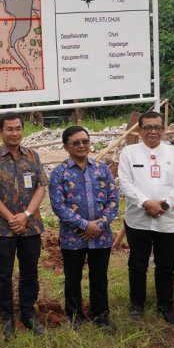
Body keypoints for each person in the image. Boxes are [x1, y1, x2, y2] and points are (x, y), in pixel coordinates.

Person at [0, 112, 47, 339]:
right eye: (10, 129)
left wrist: (26, 215)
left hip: (30, 227)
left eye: (18, 128)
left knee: (30, 272)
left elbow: (41, 187)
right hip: (2, 229)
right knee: (4, 273)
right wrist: (11, 218)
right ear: (0, 131)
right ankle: (7, 317)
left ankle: (28, 313)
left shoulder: (33, 157)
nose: (15, 133)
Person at [119, 111, 174, 327]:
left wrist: (165, 204)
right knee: (137, 265)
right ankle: (137, 306)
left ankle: (165, 308)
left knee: (166, 266)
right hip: (138, 220)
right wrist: (145, 203)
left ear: (164, 129)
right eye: (147, 127)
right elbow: (125, 182)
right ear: (139, 130)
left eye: (157, 127)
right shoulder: (129, 153)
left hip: (168, 221)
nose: (152, 132)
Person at [49, 126, 119, 334]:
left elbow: (114, 199)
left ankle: (101, 316)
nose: (82, 146)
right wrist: (84, 225)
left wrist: (98, 225)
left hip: (101, 235)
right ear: (66, 147)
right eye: (76, 143)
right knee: (73, 278)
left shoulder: (102, 169)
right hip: (73, 237)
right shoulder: (59, 173)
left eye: (85, 141)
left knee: (99, 277)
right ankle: (75, 316)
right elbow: (58, 206)